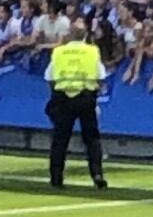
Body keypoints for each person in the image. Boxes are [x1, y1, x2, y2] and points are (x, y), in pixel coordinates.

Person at [44, 22, 108, 190]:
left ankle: (56, 178)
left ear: (70, 35)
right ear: (85, 35)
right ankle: (97, 174)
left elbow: (49, 77)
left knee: (59, 140)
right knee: (92, 139)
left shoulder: (59, 52)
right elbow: (101, 75)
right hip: (86, 97)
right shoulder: (92, 51)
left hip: (63, 97)